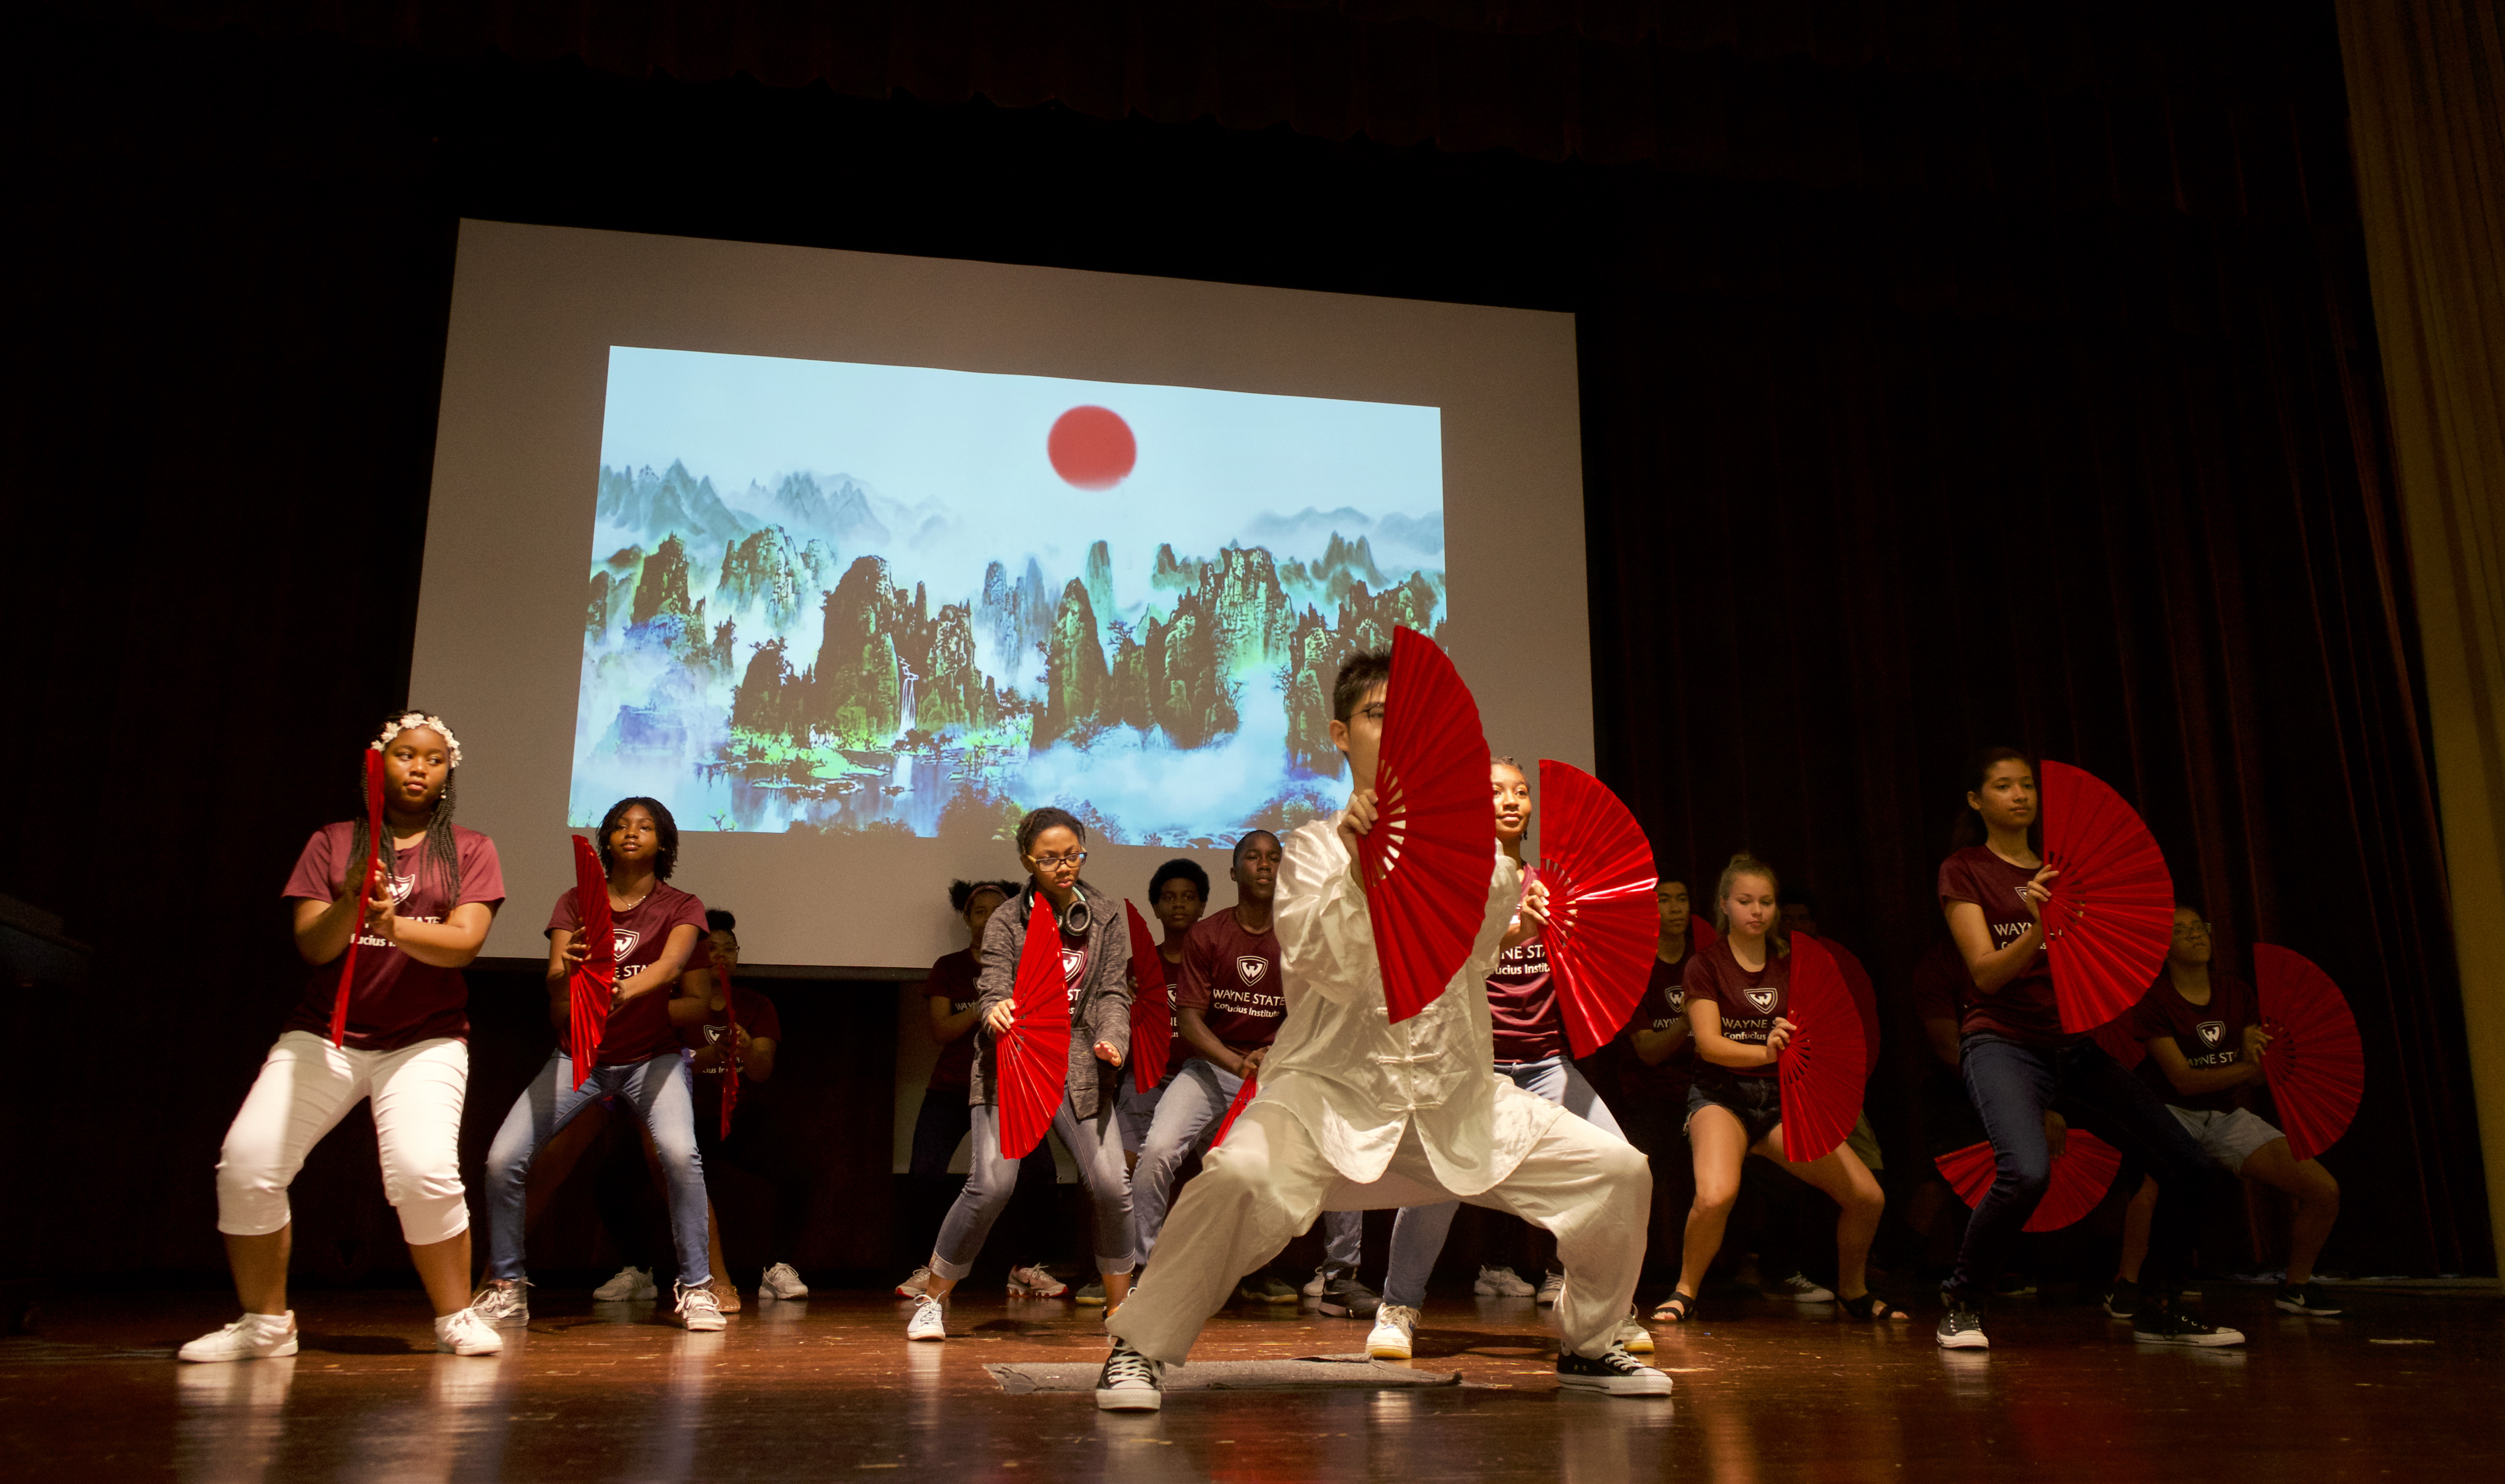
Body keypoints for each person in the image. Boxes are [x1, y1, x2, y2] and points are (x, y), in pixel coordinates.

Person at [1092, 649, 1669, 1409]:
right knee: (1233, 1178)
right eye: (1375, 716)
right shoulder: (1311, 852)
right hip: (1325, 1096)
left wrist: (1469, 866)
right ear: (1339, 733)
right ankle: (1138, 1348)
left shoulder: (1476, 855)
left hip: (1454, 1101)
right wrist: (1364, 871)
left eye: (1411, 721)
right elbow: (1324, 967)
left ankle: (1590, 1344)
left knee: (1618, 1173)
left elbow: (1480, 934)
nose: (1395, 732)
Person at [183, 713, 507, 1362]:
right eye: (406, 755)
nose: (419, 767)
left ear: (449, 775)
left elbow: (464, 944)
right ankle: (265, 1325)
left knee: (422, 1174)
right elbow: (314, 943)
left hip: (425, 1040)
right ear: (376, 767)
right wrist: (351, 901)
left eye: (434, 759)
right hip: (324, 1035)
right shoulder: (333, 842)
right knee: (246, 1164)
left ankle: (454, 1315)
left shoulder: (471, 848)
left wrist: (394, 926)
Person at [1933, 748, 2242, 1349]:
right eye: (2002, 786)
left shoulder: (2065, 867)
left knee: (2190, 1165)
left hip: (2073, 1046)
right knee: (2025, 1173)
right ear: (1977, 800)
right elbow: (1987, 976)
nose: (2020, 795)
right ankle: (1963, 1301)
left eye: (2027, 785)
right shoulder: (1965, 868)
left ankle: (2156, 1303)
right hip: (2001, 1040)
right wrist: (2035, 923)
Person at [1368, 758, 1647, 1360]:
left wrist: (1562, 928)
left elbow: (1580, 968)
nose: (1511, 801)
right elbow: (1437, 964)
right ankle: (1398, 1307)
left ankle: (1609, 1310)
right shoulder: (1453, 879)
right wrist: (1510, 931)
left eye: (1521, 792)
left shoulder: (1553, 885)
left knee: (1617, 1165)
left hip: (1546, 1061)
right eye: (1495, 791)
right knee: (1438, 1179)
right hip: (1473, 1067)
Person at [475, 797, 723, 1332]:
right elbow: (555, 985)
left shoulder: (682, 904)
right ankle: (507, 1287)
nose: (632, 833)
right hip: (580, 1057)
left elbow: (672, 965)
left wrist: (617, 990)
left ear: (664, 843)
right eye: (621, 826)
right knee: (502, 1160)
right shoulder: (574, 902)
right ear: (606, 839)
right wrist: (570, 972)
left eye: (646, 826)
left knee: (681, 1156)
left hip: (651, 1059)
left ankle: (698, 1288)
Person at [905, 809, 1137, 1342]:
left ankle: (1122, 1309)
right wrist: (995, 1011)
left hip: (1079, 1063)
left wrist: (1112, 1040)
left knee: (1110, 1184)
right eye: (1050, 858)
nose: (1063, 867)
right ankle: (934, 1299)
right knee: (991, 1184)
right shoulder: (1008, 919)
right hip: (1014, 1060)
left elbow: (1112, 993)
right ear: (1027, 860)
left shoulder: (1104, 913)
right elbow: (991, 987)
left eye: (1072, 855)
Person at [1656, 853, 1901, 1326]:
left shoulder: (1797, 960)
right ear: (1724, 904)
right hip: (1721, 1098)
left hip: (1781, 1103)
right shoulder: (1704, 965)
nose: (1757, 911)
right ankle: (1684, 1291)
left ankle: (1853, 1288)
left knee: (1868, 1197)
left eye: (1766, 902)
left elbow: (1824, 1028)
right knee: (1715, 1196)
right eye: (1745, 901)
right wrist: (1768, 1052)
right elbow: (1709, 1046)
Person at [1129, 835, 1367, 1311]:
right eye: (1253, 858)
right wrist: (1238, 1062)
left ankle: (1340, 1277)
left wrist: (1275, 1055)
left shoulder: (1301, 934)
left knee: (1342, 1154)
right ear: (1234, 873)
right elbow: (1192, 1021)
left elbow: (1321, 1012)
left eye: (1275, 858)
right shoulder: (1207, 934)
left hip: (1285, 1069)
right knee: (1156, 1151)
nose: (1265, 865)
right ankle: (1145, 1270)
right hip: (1213, 1067)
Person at [2102, 907, 2342, 1319]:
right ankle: (2126, 1284)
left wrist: (2264, 1061)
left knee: (2324, 1190)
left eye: (2200, 927)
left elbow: (2260, 1076)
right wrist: (2248, 1069)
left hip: (2227, 1115)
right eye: (2181, 931)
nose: (2195, 936)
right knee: (2150, 1191)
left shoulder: (2236, 993)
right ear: (2164, 948)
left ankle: (2296, 1288)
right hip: (2169, 1112)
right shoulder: (2154, 1001)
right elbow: (2182, 1080)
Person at [893, 879, 1068, 1302]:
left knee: (1042, 1173)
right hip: (952, 1087)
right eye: (979, 911)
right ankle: (929, 1267)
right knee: (925, 1173)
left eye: (998, 910)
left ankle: (1024, 1267)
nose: (989, 918)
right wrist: (984, 1006)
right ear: (967, 919)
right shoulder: (949, 967)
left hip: (1010, 1089)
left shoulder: (1028, 965)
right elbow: (941, 1030)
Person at [1084, 858, 1209, 1307]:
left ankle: (1251, 1273)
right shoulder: (1138, 966)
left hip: (1204, 1079)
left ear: (1203, 906)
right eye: (1169, 897)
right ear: (1155, 906)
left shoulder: (1214, 960)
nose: (1178, 904)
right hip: (1146, 1080)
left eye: (1188, 896)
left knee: (1238, 1170)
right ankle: (1123, 1270)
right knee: (1118, 1170)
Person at [680, 910, 819, 1308]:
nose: (720, 956)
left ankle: (777, 1267)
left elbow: (760, 1072)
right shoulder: (678, 1002)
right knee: (614, 1178)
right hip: (682, 1116)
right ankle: (637, 1269)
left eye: (729, 949)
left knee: (798, 1172)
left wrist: (745, 1048)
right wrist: (710, 1054)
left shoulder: (756, 1005)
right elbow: (666, 1062)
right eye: (710, 949)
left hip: (737, 1116)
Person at [1618, 875, 1699, 1308]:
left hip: (1706, 1091)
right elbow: (1647, 1050)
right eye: (1664, 900)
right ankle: (1603, 1279)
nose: (1675, 908)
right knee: (1633, 1185)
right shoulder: (1636, 967)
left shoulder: (1703, 962)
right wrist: (1688, 1022)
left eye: (1681, 898)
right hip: (1653, 1095)